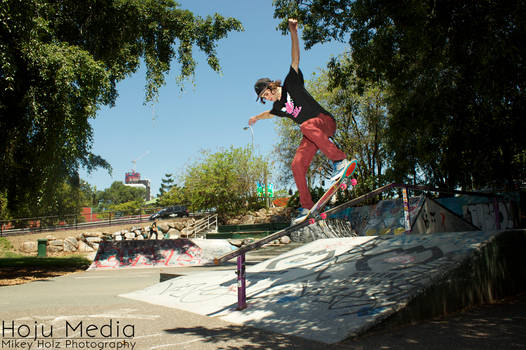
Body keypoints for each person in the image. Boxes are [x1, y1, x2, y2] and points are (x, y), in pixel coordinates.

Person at [249, 18, 352, 224]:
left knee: (306, 125)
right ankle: (307, 206)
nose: (267, 99)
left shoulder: (291, 84)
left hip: (324, 122)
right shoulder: (278, 107)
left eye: (266, 95)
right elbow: (270, 113)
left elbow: (295, 59)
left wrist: (293, 32)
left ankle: (340, 161)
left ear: (271, 86)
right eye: (264, 99)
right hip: (312, 134)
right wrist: (256, 118)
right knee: (296, 165)